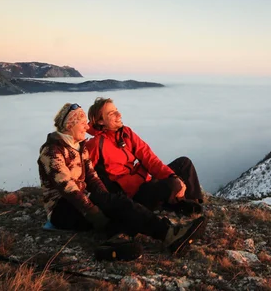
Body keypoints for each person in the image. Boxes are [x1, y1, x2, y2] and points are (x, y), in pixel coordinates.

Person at [37, 103, 205, 259]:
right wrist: (93, 211)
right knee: (115, 206)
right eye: (82, 123)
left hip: (81, 200)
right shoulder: (52, 151)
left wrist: (104, 199)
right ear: (69, 126)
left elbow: (92, 178)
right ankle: (169, 233)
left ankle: (113, 244)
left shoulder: (80, 148)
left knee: (115, 206)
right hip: (61, 208)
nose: (87, 127)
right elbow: (68, 188)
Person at [86, 97, 204, 215]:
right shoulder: (96, 144)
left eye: (117, 110)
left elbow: (149, 158)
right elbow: (85, 174)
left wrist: (172, 175)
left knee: (184, 163)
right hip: (133, 195)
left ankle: (193, 207)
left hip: (144, 182)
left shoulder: (126, 133)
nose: (119, 114)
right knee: (171, 185)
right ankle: (181, 207)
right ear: (100, 121)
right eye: (112, 113)